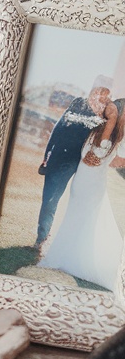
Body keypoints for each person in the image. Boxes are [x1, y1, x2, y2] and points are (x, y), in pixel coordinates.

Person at [40, 98, 125, 292]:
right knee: (78, 219)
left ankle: (76, 256)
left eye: (113, 111)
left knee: (86, 220)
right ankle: (71, 256)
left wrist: (112, 123)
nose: (108, 111)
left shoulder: (112, 135)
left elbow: (98, 155)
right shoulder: (101, 130)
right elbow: (93, 151)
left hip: (91, 184)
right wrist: (110, 121)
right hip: (85, 184)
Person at [36, 77, 111, 251]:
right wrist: (48, 154)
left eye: (106, 91)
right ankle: (41, 240)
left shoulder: (107, 113)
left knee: (79, 205)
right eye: (99, 89)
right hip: (60, 160)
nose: (101, 94)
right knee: (50, 200)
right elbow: (59, 128)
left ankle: (72, 246)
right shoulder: (78, 103)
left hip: (85, 166)